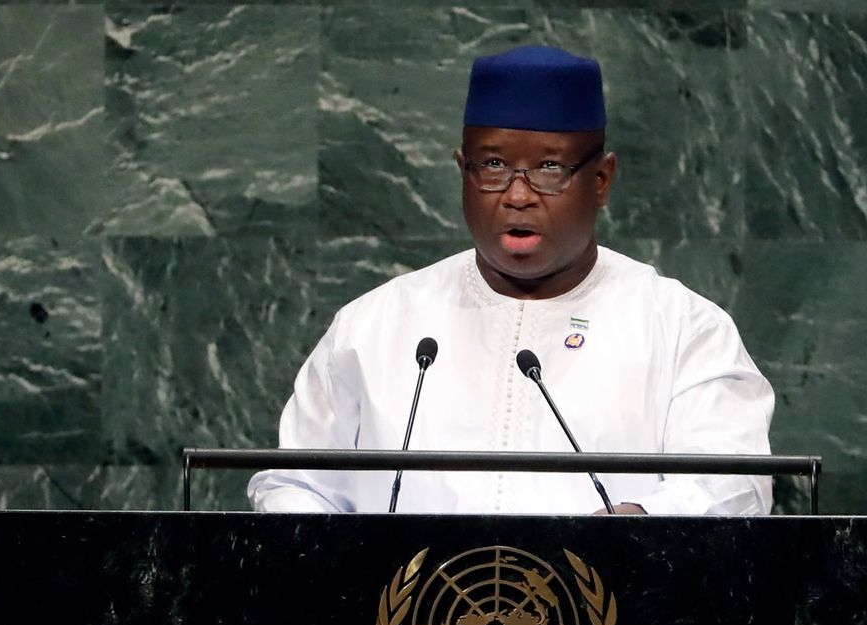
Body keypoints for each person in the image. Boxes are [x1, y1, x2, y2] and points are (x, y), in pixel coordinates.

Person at [248, 45, 773, 515]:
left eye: (549, 168)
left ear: (601, 180)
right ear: (463, 172)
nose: (518, 195)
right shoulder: (373, 326)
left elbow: (735, 484)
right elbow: (294, 484)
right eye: (494, 165)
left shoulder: (683, 329)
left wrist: (639, 527)